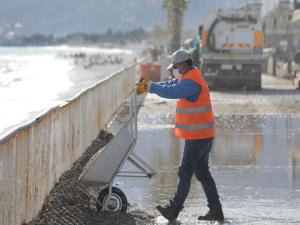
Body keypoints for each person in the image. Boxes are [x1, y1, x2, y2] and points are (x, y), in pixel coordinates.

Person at [135, 49, 224, 222]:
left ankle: (174, 210)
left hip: (198, 137)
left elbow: (173, 92)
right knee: (203, 174)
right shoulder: (191, 75)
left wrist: (150, 87)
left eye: (176, 66)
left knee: (185, 172)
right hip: (203, 135)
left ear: (183, 64)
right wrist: (152, 85)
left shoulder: (191, 83)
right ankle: (216, 211)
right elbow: (173, 85)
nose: (175, 70)